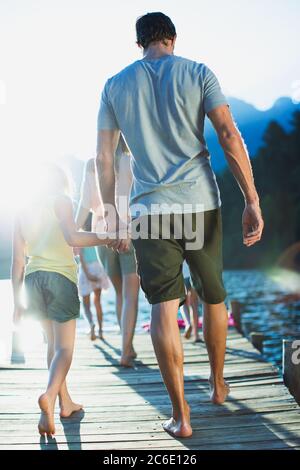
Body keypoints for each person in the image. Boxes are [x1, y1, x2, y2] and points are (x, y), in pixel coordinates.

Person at [96, 12, 264, 438]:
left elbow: (103, 158)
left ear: (140, 44)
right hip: (200, 203)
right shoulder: (198, 73)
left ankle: (181, 416)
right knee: (212, 296)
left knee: (163, 306)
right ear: (172, 38)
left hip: (150, 212)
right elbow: (227, 134)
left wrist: (113, 214)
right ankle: (219, 383)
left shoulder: (115, 85)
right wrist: (252, 199)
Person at [11, 163, 116, 437]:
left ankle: (64, 403)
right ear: (61, 183)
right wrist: (108, 237)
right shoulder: (61, 200)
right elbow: (73, 237)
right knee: (65, 350)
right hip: (60, 278)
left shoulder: (22, 210)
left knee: (53, 346)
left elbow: (18, 261)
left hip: (33, 282)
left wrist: (16, 303)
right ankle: (48, 395)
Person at [76, 138, 140, 367]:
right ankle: (125, 349)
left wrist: (73, 233)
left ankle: (128, 346)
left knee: (120, 292)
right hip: (128, 230)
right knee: (131, 295)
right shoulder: (132, 160)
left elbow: (85, 204)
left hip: (101, 232)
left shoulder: (91, 164)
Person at [78, 215, 110, 340]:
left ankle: (91, 324)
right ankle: (101, 331)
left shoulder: (80, 235)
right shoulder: (97, 234)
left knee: (86, 304)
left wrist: (87, 274)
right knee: (98, 301)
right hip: (98, 268)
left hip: (87, 268)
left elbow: (81, 257)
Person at [180, 261, 200, 343]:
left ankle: (188, 324)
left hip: (182, 272)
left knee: (183, 301)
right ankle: (196, 334)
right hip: (193, 271)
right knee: (194, 303)